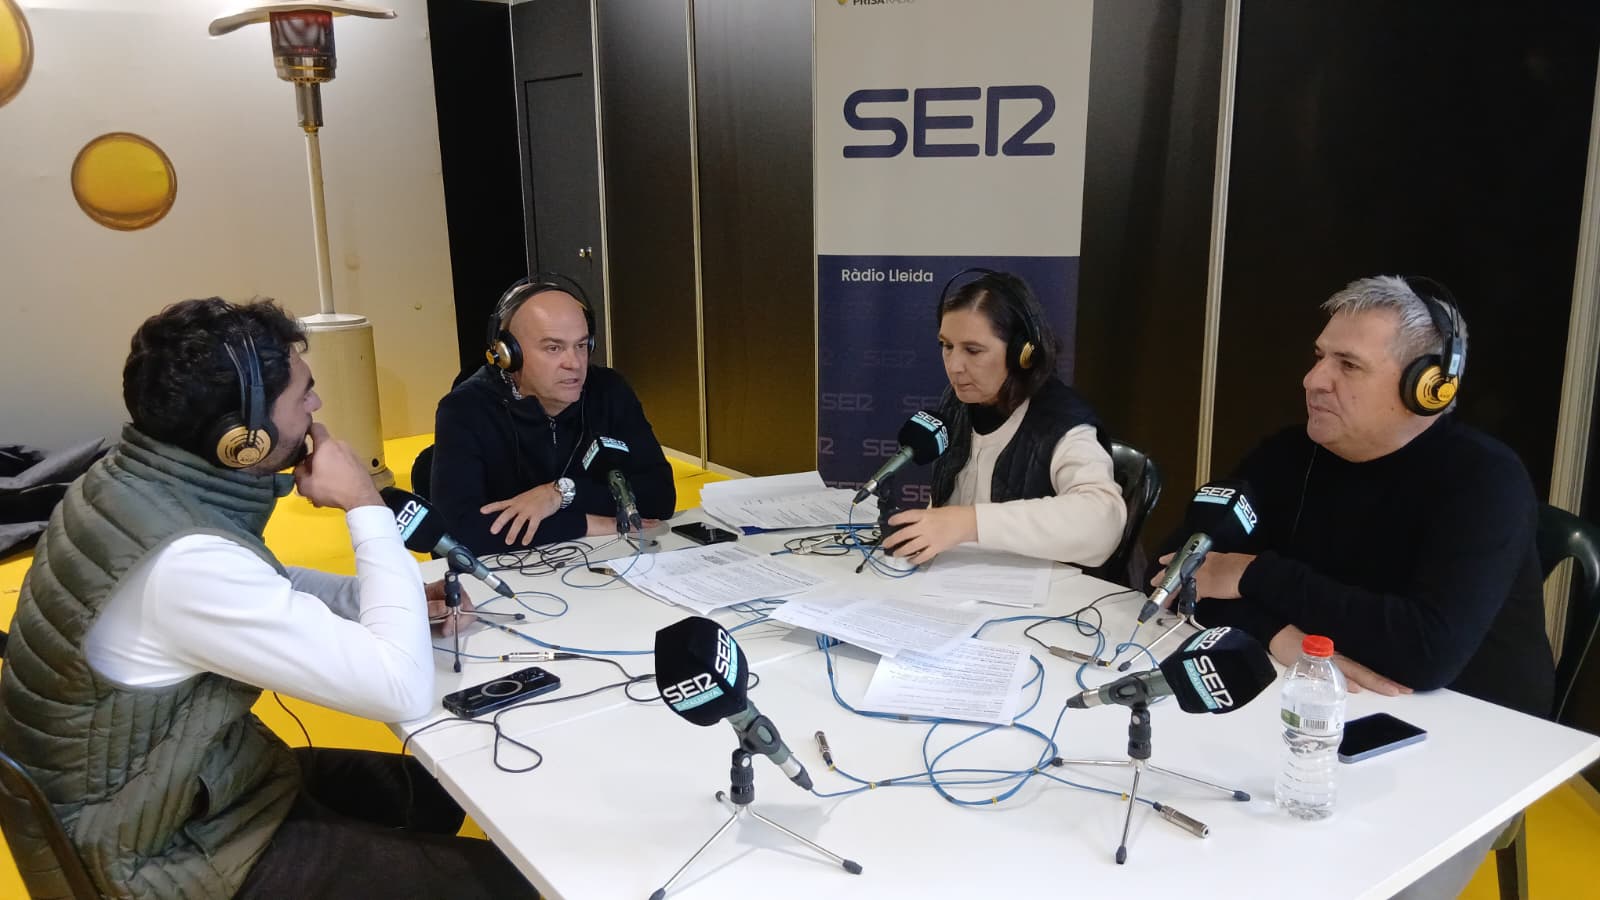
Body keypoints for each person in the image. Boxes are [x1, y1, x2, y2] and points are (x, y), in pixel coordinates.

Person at [0, 298, 535, 898]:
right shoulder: (183, 564)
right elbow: (399, 685)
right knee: (508, 885)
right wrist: (364, 503)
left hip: (177, 779)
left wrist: (384, 598)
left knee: (434, 791)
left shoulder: (134, 482)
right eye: (303, 394)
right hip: (154, 847)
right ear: (243, 440)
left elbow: (262, 581)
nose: (317, 406)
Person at [1150, 275, 1553, 897]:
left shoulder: (1484, 481)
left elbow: (1422, 653)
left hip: (1464, 742)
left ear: (1428, 385)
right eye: (1318, 356)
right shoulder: (1291, 452)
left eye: (1347, 364)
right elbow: (1178, 567)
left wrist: (1257, 574)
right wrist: (1282, 636)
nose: (1314, 379)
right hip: (1305, 708)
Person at [883, 269, 1126, 569]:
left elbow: (1102, 523)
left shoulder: (1064, 422)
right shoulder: (957, 402)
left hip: (1045, 601)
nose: (955, 366)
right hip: (959, 587)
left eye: (973, 350)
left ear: (1022, 353)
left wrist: (969, 522)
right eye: (947, 346)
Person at [430, 276, 675, 550]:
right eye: (553, 348)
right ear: (509, 354)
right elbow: (460, 531)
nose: (574, 363)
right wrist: (587, 524)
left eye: (581, 345)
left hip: (602, 558)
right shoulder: (465, 410)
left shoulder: (609, 391)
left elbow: (660, 496)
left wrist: (560, 494)